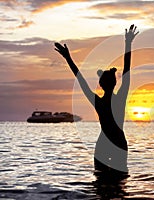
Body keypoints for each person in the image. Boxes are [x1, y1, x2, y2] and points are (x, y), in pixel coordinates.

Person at [54, 24, 139, 174]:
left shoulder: (98, 101)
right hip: (117, 142)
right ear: (114, 83)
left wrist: (68, 58)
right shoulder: (119, 99)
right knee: (119, 184)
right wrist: (128, 43)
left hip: (105, 144)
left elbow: (80, 78)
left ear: (100, 85)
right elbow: (127, 70)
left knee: (101, 185)